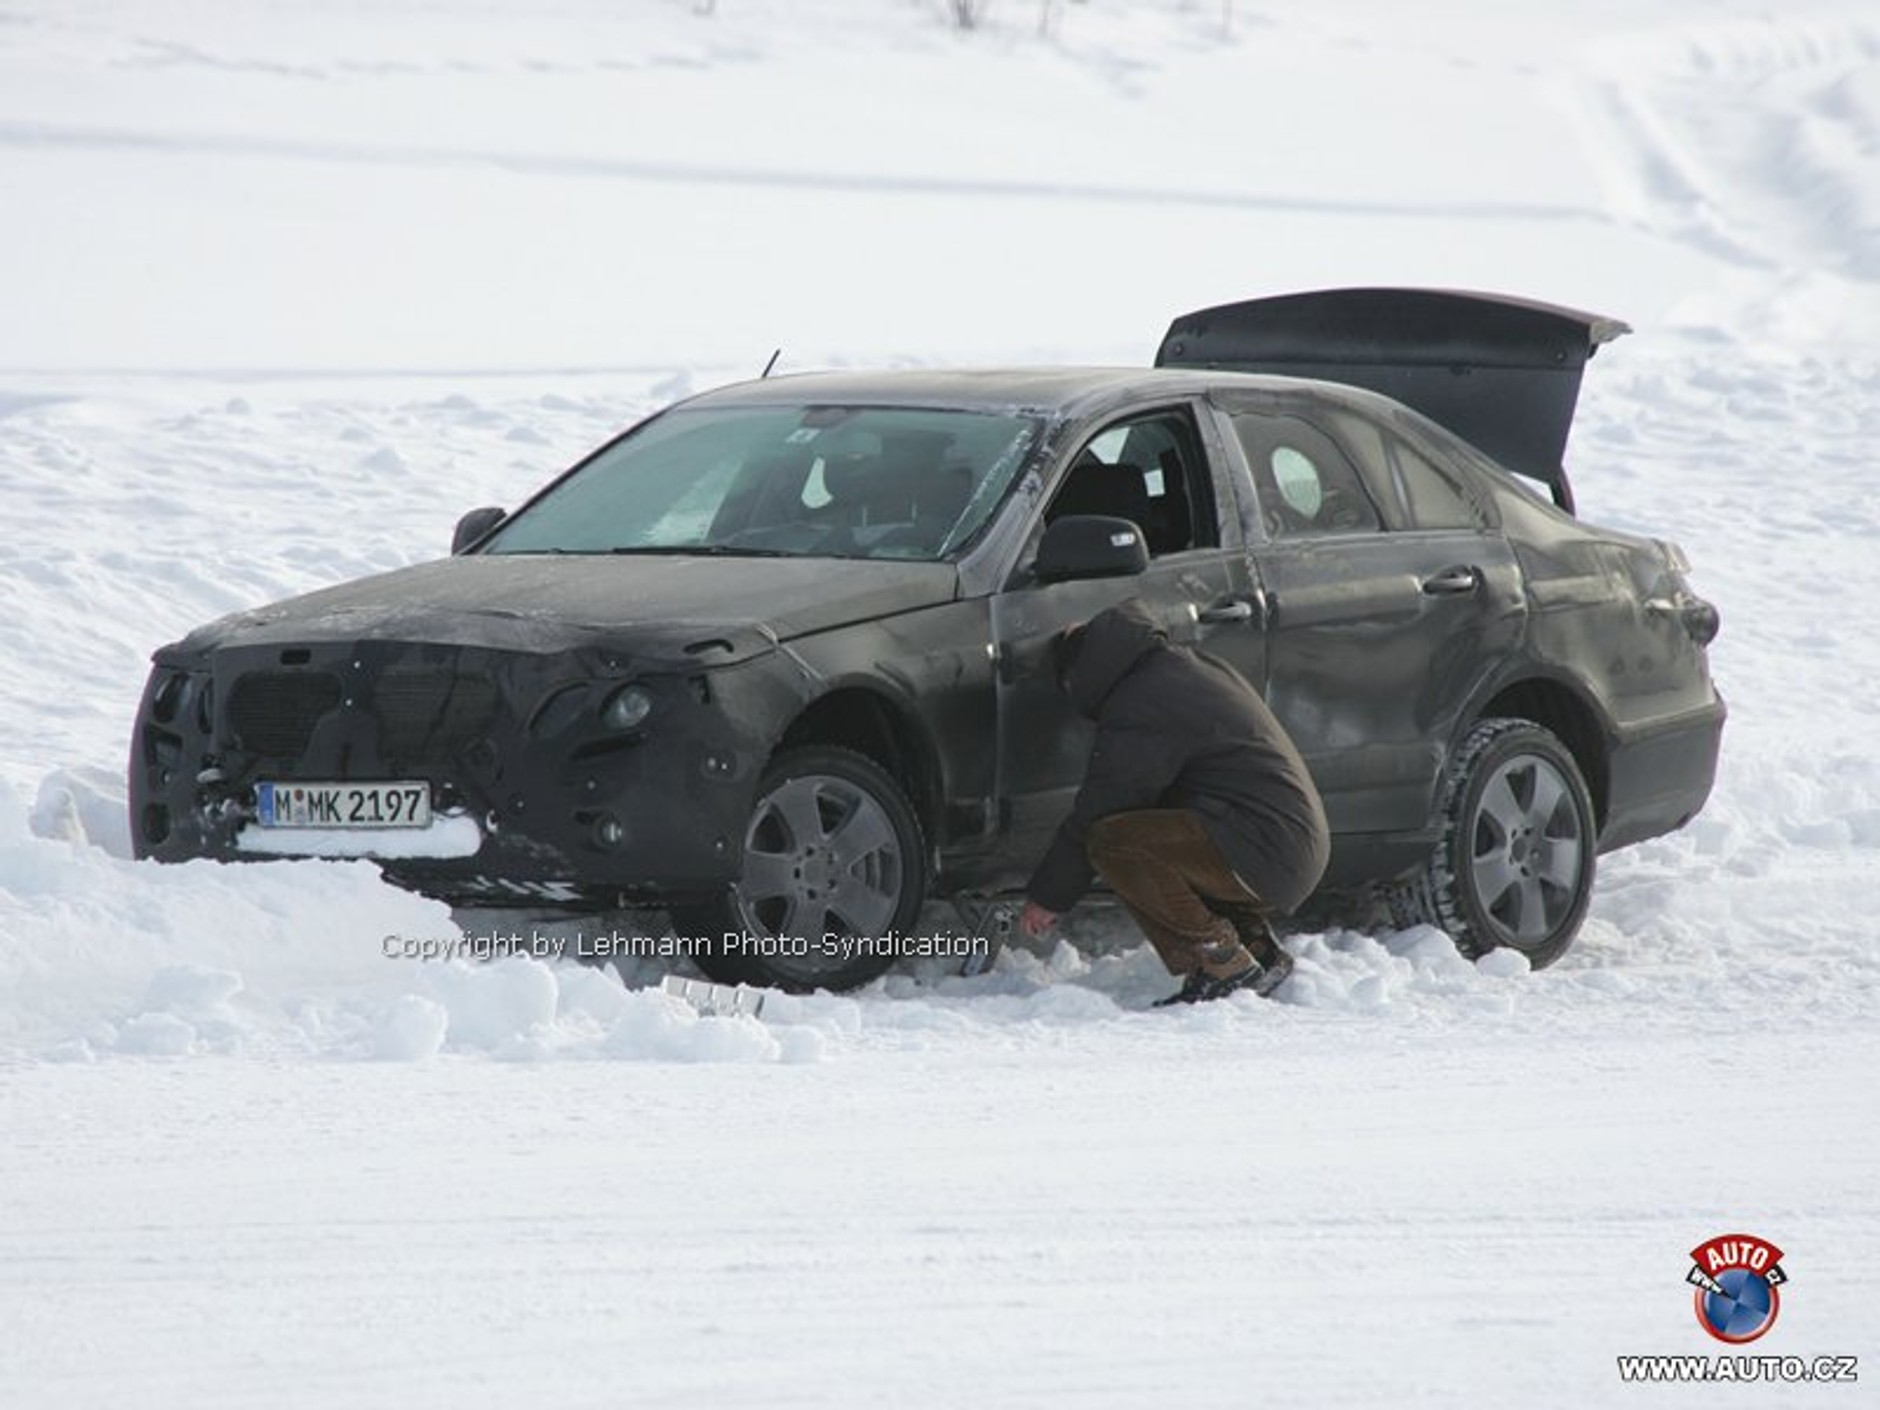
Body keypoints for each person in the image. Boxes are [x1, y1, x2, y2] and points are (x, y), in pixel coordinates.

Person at [1017, 598, 1330, 1005]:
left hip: (1265, 849)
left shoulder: (1143, 701)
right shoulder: (1181, 668)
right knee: (1167, 835)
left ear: (1083, 673)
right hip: (1285, 845)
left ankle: (1220, 962)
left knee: (1114, 841)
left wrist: (1048, 897)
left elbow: (1102, 806)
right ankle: (1256, 950)